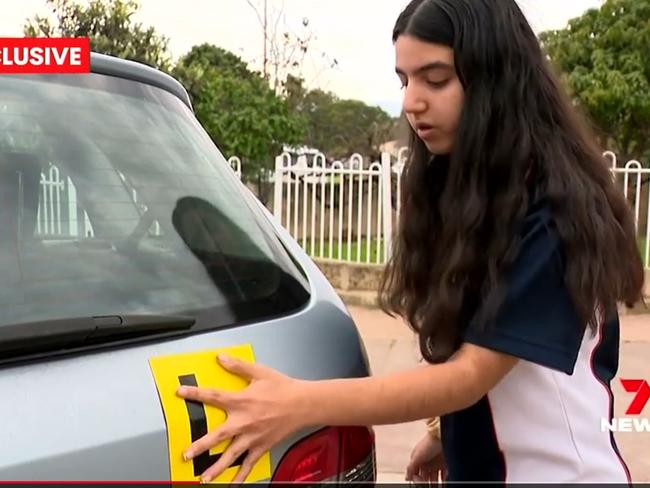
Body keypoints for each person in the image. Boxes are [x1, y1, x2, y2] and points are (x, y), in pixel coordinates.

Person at [176, 0, 644, 483]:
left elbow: (469, 374)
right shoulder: (467, 192)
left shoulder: (550, 210)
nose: (411, 101)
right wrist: (446, 434)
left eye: (435, 79)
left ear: (495, 80)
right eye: (404, 80)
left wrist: (296, 403)